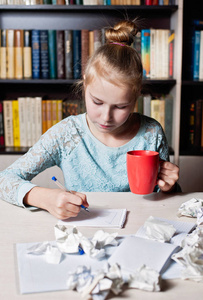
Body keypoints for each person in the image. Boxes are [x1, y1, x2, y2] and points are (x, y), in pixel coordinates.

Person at [0, 19, 180, 220]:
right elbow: (4, 180)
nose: (106, 117)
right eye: (97, 102)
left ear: (137, 95)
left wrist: (170, 186)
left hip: (141, 231)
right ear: (85, 84)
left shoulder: (151, 133)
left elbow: (167, 200)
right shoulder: (67, 134)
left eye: (121, 107)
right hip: (84, 233)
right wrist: (44, 197)